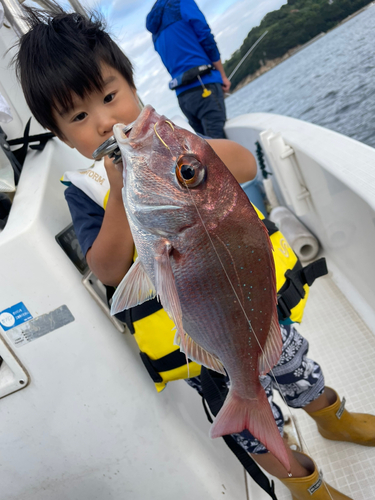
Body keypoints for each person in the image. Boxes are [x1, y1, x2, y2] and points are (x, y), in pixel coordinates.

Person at [15, 8, 375, 500]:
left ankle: (331, 415)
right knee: (253, 425)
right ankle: (304, 484)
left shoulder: (174, 146)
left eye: (109, 96)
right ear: (61, 136)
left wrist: (191, 162)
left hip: (258, 316)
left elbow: (245, 163)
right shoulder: (88, 189)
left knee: (297, 367)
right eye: (79, 117)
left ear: (133, 85)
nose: (104, 122)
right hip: (207, 342)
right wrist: (121, 192)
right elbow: (107, 268)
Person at [146, 0, 230, 139]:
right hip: (204, 86)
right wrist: (222, 75)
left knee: (205, 148)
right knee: (218, 148)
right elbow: (206, 37)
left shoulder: (155, 26)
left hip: (183, 97)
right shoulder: (181, 3)